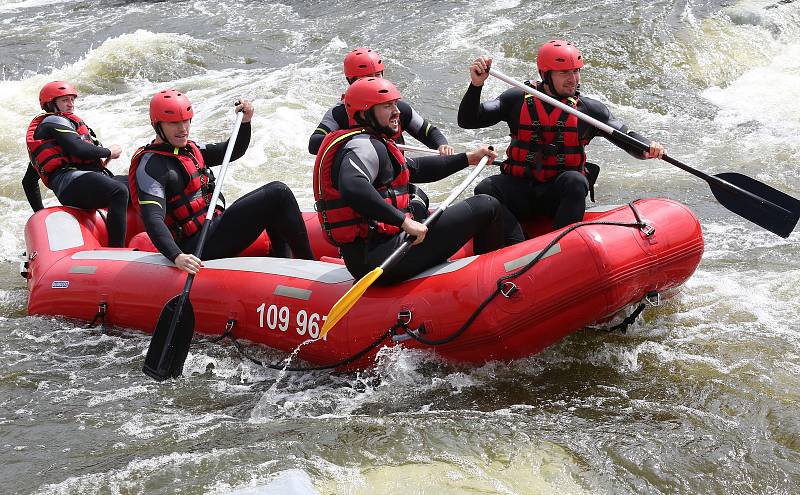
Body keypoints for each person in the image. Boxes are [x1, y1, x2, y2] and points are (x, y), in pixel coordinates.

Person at [313, 77, 519, 284]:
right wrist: (404, 222)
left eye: (395, 104)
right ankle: (491, 282)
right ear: (364, 113)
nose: (397, 112)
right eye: (387, 106)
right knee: (487, 205)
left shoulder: (370, 142)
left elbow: (416, 169)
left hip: (377, 252)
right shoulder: (363, 146)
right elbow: (352, 187)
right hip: (383, 257)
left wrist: (468, 158)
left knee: (421, 203)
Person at [458, 40, 666, 232]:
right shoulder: (516, 99)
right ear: (545, 74)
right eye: (564, 72)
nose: (573, 79)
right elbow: (469, 120)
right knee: (485, 188)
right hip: (521, 189)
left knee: (575, 180)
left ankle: (560, 245)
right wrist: (476, 85)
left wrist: (647, 146)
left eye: (576, 71)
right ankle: (516, 242)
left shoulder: (588, 110)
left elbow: (624, 134)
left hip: (557, 196)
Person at [129, 89, 313, 274]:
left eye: (186, 120)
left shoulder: (191, 149)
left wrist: (245, 122)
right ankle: (308, 266)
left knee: (274, 202)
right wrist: (177, 256)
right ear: (157, 125)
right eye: (174, 123)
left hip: (212, 229)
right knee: (278, 193)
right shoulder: (151, 166)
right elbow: (153, 219)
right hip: (195, 247)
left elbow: (233, 150)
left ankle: (282, 263)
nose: (183, 129)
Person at [309, 47, 453, 220]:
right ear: (350, 80)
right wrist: (355, 136)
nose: (373, 82)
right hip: (362, 184)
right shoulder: (339, 113)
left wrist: (442, 145)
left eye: (377, 76)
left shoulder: (396, 110)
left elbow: (429, 132)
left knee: (419, 203)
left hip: (394, 180)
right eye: (366, 78)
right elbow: (314, 143)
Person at [24, 80, 129, 247]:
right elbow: (79, 149)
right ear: (51, 104)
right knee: (118, 191)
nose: (70, 104)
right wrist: (108, 152)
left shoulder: (57, 139)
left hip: (87, 179)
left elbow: (28, 182)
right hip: (70, 185)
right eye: (65, 100)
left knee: (138, 183)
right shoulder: (52, 122)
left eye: (72, 99)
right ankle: (117, 251)